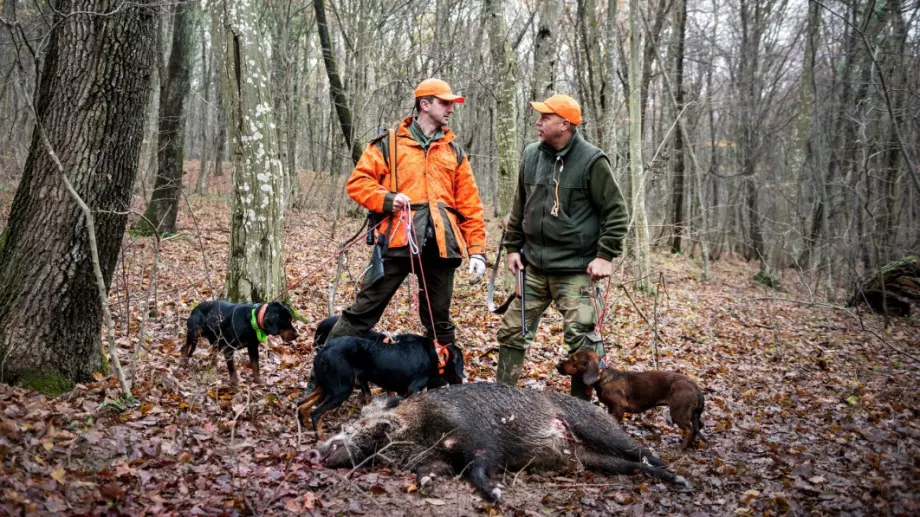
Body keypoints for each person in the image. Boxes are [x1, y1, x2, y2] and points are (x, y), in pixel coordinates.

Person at [324, 78, 487, 351]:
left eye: (452, 104)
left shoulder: (454, 151)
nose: (451, 109)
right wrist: (387, 199)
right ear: (425, 104)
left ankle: (446, 385)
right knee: (362, 312)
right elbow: (358, 184)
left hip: (442, 246)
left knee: (439, 322)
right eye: (445, 103)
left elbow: (470, 204)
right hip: (396, 242)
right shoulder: (388, 144)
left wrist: (478, 251)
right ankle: (325, 372)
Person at [494, 94, 628, 400]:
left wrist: (605, 255)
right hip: (534, 267)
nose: (538, 122)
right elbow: (519, 205)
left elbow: (616, 211)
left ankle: (580, 413)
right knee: (512, 331)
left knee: (582, 342)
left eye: (545, 117)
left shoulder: (592, 161)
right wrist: (513, 247)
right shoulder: (530, 155)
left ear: (565, 124)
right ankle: (500, 402)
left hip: (576, 270)